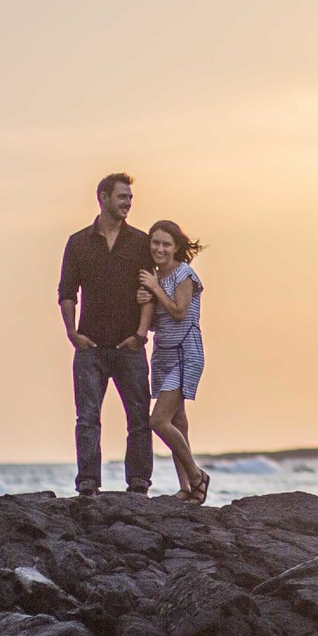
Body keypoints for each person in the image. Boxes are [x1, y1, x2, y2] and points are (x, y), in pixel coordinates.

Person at [57, 172, 153, 496]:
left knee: (139, 417)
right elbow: (67, 292)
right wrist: (73, 334)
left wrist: (140, 335)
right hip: (90, 347)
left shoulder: (141, 242)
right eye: (122, 196)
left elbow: (149, 292)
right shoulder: (78, 242)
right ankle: (88, 482)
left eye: (130, 197)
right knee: (87, 418)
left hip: (130, 346)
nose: (128, 202)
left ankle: (139, 483)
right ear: (103, 197)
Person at [136, 219, 210, 503]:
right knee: (178, 421)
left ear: (176, 247)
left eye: (166, 243)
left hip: (185, 352)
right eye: (155, 242)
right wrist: (143, 296)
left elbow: (179, 311)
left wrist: (154, 289)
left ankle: (197, 475)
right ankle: (188, 488)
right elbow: (156, 322)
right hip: (163, 353)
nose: (160, 248)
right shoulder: (154, 277)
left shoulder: (184, 274)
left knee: (158, 420)